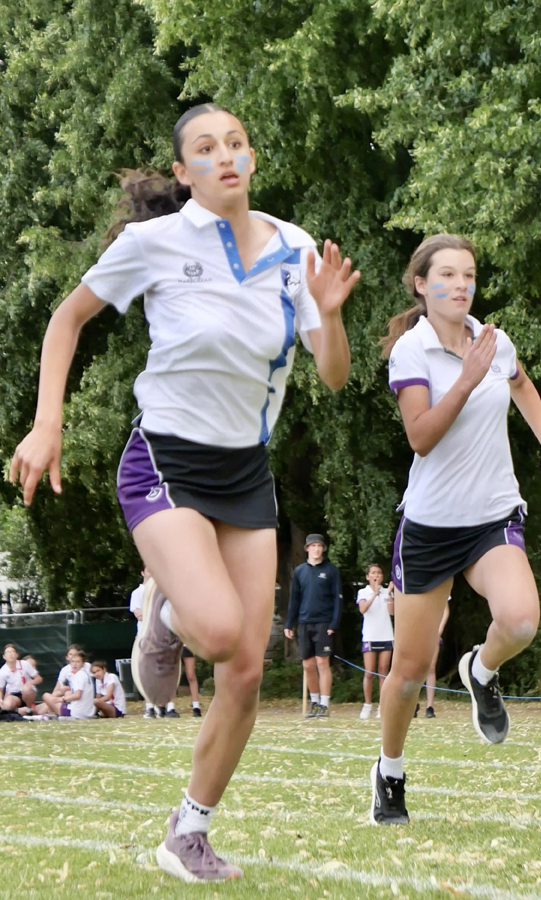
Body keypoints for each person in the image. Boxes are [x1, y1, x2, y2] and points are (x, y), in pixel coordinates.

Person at [10, 103, 359, 882]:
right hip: (164, 461)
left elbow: (333, 374)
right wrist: (47, 424)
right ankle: (166, 612)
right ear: (182, 172)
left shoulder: (295, 249)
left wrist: (331, 317)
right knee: (218, 633)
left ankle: (188, 831)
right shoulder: (155, 243)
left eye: (235, 143)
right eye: (205, 148)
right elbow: (67, 320)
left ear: (252, 157)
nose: (224, 156)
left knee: (246, 669)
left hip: (246, 472)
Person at [370, 233, 541, 826]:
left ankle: (480, 671)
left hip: (492, 515)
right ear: (421, 285)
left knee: (521, 620)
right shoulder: (412, 351)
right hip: (431, 528)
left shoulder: (493, 342)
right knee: (407, 673)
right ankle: (389, 774)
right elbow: (421, 436)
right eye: (447, 275)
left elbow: (521, 384)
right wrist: (469, 377)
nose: (461, 285)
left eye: (469, 275)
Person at [284, 534, 343, 719]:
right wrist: (289, 623)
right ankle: (314, 701)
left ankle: (324, 704)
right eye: (313, 546)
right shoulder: (300, 571)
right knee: (308, 664)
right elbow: (295, 599)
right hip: (304, 623)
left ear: (323, 549)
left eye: (319, 546)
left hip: (324, 622)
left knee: (322, 662)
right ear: (307, 548)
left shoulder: (331, 570)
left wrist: (334, 623)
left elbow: (338, 599)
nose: (316, 549)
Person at [130, 568, 170, 718]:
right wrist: (154, 611)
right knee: (147, 672)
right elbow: (139, 615)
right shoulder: (137, 593)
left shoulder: (161, 592)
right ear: (142, 572)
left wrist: (148, 611)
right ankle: (149, 707)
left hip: (160, 635)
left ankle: (162, 706)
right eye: (148, 570)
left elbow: (164, 614)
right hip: (144, 636)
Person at [356, 564, 394, 720]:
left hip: (386, 635)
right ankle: (367, 705)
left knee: (383, 671)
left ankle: (382, 705)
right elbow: (363, 609)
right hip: (370, 636)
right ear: (368, 576)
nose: (376, 575)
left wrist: (389, 594)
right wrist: (375, 594)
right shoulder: (363, 592)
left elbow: (392, 612)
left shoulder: (387, 592)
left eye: (379, 573)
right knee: (369, 671)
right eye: (373, 573)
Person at [41, 649, 95, 719]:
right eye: (73, 661)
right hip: (87, 712)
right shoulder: (85, 674)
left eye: (78, 662)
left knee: (46, 696)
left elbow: (77, 695)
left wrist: (62, 699)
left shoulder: (79, 675)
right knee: (64, 694)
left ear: (82, 663)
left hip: (76, 712)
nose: (74, 664)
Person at [0, 644, 40, 713]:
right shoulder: (2, 671)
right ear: (4, 656)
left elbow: (38, 678)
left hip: (27, 693)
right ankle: (19, 712)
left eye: (12, 652)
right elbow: (1, 689)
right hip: (14, 695)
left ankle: (29, 709)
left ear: (17, 655)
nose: (10, 654)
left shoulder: (25, 664)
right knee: (7, 704)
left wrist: (30, 683)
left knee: (26, 689)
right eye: (8, 652)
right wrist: (0, 699)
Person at [182, 646, 202, 717]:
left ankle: (196, 707)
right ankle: (170, 707)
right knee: (173, 676)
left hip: (187, 646)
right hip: (174, 645)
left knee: (191, 675)